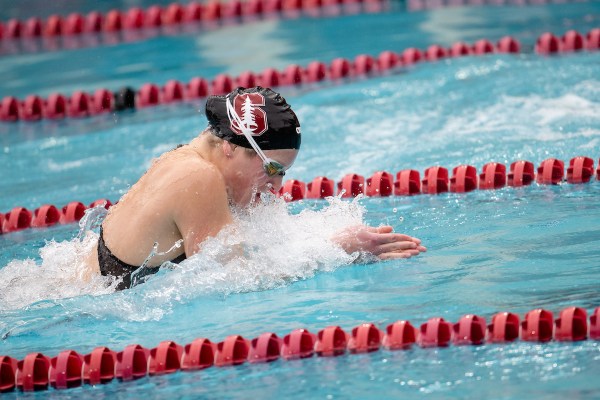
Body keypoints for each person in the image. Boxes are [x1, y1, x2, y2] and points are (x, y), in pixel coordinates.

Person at [85, 86, 426, 290]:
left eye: (284, 172)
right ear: (231, 146)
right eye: (272, 168)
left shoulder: (193, 162)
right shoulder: (196, 178)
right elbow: (233, 279)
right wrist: (336, 248)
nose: (277, 185)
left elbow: (248, 250)